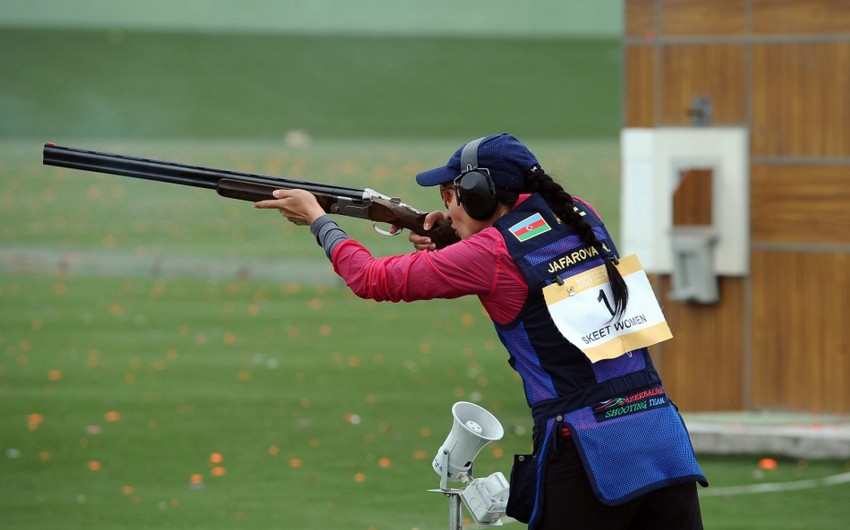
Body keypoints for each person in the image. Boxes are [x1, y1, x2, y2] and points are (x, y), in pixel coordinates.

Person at [254, 133, 707, 529]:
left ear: (478, 195)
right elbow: (533, 254)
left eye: (452, 192)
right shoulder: (576, 213)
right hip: (659, 433)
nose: (446, 202)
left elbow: (373, 278)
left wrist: (320, 221)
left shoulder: (491, 253)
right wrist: (456, 237)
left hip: (590, 451)